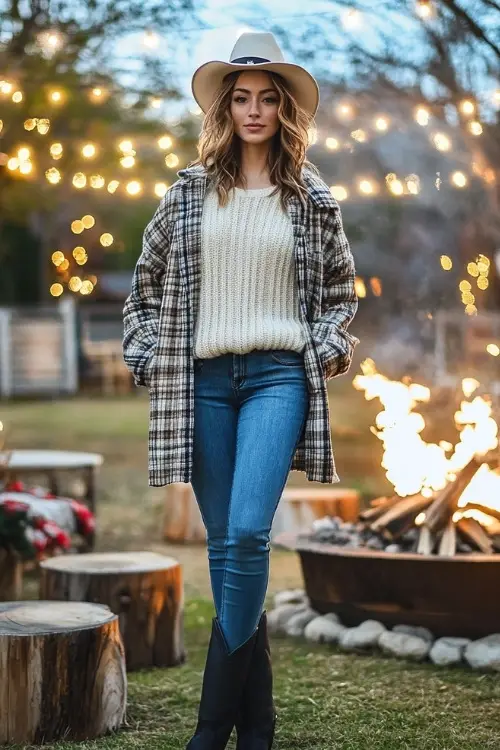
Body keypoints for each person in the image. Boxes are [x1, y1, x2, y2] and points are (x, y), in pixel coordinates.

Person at [122, 30, 359, 750]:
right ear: (226, 110)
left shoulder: (312, 197)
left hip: (277, 377)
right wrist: (147, 356)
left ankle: (209, 725)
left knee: (250, 532)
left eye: (267, 100)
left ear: (285, 111)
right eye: (242, 99)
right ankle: (256, 724)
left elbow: (341, 295)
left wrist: (322, 348)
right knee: (225, 547)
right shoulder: (187, 195)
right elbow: (142, 292)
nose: (254, 111)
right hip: (201, 383)